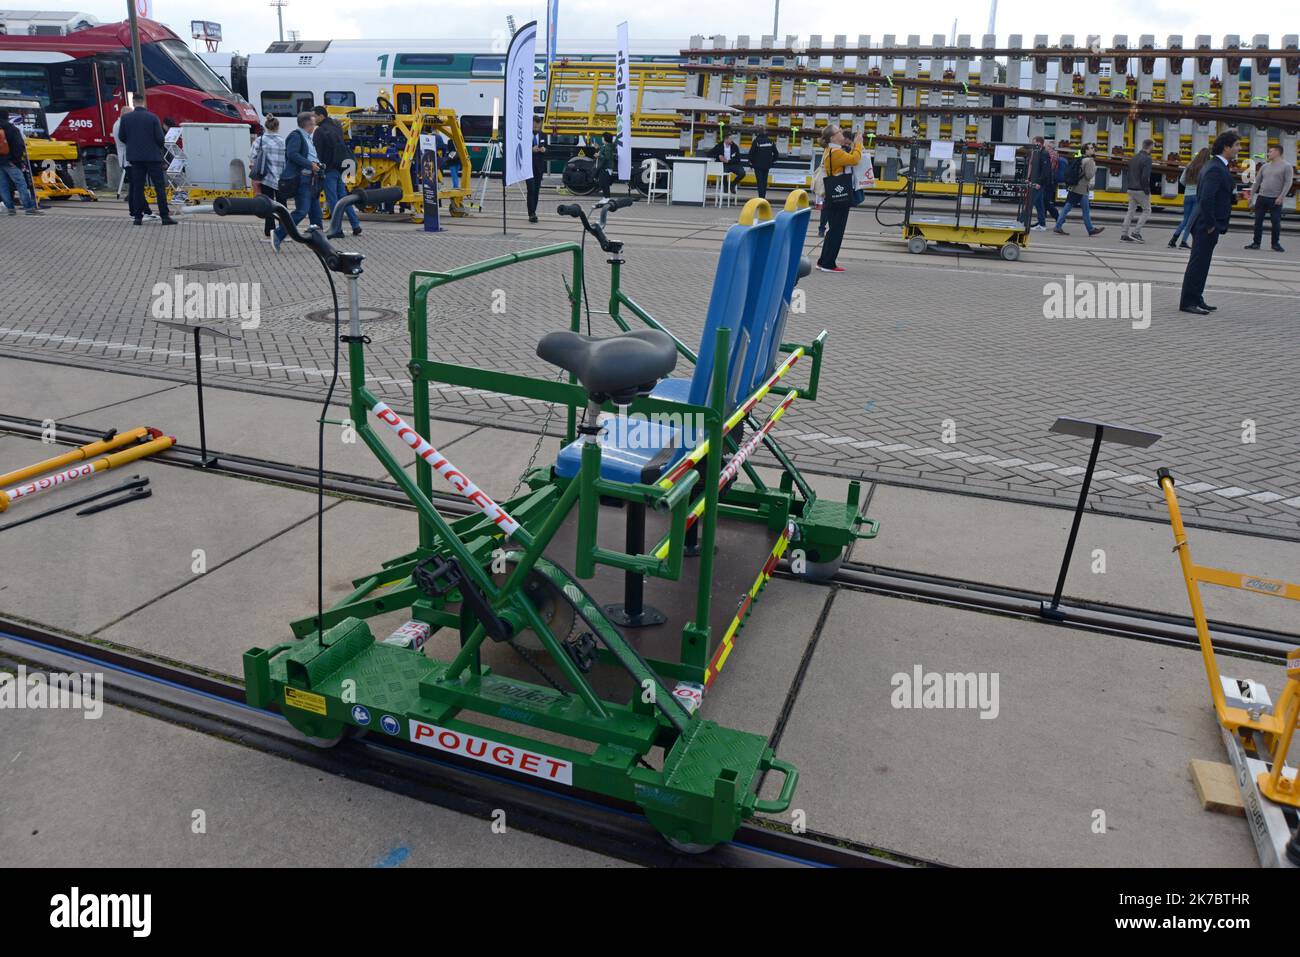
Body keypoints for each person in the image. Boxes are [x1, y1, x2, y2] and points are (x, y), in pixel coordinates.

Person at [1179, 129, 1241, 316]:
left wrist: (1234, 198)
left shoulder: (1216, 165)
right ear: (1226, 147)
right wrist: (1211, 224)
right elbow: (1206, 198)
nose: (1239, 148)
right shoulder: (1215, 168)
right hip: (1206, 224)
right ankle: (1188, 302)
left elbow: (1218, 194)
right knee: (1198, 263)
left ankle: (1197, 298)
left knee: (1203, 263)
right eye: (1237, 145)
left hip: (1205, 223)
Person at [118, 99, 174, 225]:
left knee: (138, 187)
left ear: (133, 103)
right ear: (143, 103)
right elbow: (160, 138)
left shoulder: (126, 119)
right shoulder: (153, 117)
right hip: (153, 157)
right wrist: (156, 148)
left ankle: (138, 217)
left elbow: (122, 137)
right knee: (159, 187)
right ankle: (165, 216)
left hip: (135, 158)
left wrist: (133, 145)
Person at [815, 125, 862, 273]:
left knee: (833, 230)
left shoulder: (831, 150)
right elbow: (855, 159)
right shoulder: (835, 152)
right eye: (839, 132)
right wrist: (858, 143)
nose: (842, 133)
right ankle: (828, 264)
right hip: (838, 195)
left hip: (833, 194)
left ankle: (823, 261)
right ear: (832, 137)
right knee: (836, 231)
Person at [273, 111, 323, 251]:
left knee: (316, 212)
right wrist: (310, 164)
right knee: (302, 211)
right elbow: (292, 154)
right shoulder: (296, 136)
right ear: (308, 124)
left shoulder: (307, 137)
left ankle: (319, 241)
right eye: (313, 124)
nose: (314, 127)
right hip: (302, 179)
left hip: (311, 179)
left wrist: (317, 165)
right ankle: (278, 233)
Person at [313, 105, 359, 238]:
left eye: (314, 116)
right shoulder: (336, 126)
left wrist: (317, 168)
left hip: (329, 169)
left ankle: (337, 229)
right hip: (341, 167)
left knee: (332, 199)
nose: (313, 119)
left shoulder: (319, 131)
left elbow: (318, 152)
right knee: (344, 198)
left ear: (321, 116)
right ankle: (356, 225)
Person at [1244, 144, 1293, 253]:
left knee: (1275, 222)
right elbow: (1256, 182)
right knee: (1258, 222)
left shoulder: (1286, 166)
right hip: (1262, 197)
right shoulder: (1265, 166)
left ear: (1277, 152)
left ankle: (1275, 244)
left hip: (1275, 199)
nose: (1268, 153)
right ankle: (1256, 243)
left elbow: (1288, 182)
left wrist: (1281, 196)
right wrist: (1250, 196)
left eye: (1270, 151)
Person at [1052, 143, 1104, 236]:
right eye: (1091, 148)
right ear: (1086, 150)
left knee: (1076, 208)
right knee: (1072, 208)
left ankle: (1090, 229)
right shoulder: (1089, 161)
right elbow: (1089, 176)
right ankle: (1058, 226)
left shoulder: (1080, 158)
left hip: (1076, 186)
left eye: (1093, 148)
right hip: (1081, 189)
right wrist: (1095, 169)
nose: (1093, 149)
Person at [249, 115, 286, 239]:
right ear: (277, 127)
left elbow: (252, 158)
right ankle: (283, 231)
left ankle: (269, 231)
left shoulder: (259, 141)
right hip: (281, 178)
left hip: (265, 178)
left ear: (266, 126)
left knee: (268, 205)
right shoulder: (283, 141)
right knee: (282, 205)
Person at [1169, 147, 1210, 249]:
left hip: (1187, 195)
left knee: (1185, 219)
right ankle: (1183, 242)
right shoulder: (1205, 167)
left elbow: (1182, 180)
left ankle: (1173, 240)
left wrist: (1189, 186)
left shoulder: (1190, 165)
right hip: (1197, 196)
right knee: (1191, 222)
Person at [0, 115, 41, 215]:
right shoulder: (11, 129)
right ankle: (29, 208)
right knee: (21, 184)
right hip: (10, 162)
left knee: (3, 186)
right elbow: (19, 145)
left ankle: (10, 209)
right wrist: (16, 160)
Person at [1120, 139, 1154, 242]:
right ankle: (1136, 233)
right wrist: (1147, 190)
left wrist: (1129, 186)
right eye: (1153, 146)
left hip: (1131, 188)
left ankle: (1124, 234)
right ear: (1150, 146)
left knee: (1130, 211)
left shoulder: (1134, 157)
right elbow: (1145, 177)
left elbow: (1128, 174)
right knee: (1147, 210)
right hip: (1140, 189)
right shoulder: (1147, 159)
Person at [1027, 136, 1053, 229]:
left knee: (1031, 202)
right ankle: (1042, 224)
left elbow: (1045, 170)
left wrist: (1039, 183)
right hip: (1036, 181)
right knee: (1039, 204)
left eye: (1034, 143)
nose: (1032, 145)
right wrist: (1029, 178)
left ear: (1039, 143)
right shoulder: (1037, 152)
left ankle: (1023, 221)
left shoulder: (1044, 153)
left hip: (1039, 182)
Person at [526, 114, 548, 223]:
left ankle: (533, 212)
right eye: (534, 127)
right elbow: (520, 149)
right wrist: (531, 149)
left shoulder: (543, 135)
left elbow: (547, 148)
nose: (536, 129)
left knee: (536, 191)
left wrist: (544, 150)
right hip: (528, 167)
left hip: (539, 168)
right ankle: (531, 214)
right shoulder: (525, 135)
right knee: (531, 190)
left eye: (538, 127)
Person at [748, 129, 778, 199]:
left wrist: (751, 163)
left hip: (757, 165)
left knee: (760, 182)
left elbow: (751, 153)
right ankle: (763, 197)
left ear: (758, 134)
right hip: (767, 165)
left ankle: (761, 197)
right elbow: (776, 153)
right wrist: (772, 161)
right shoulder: (770, 141)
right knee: (764, 182)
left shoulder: (756, 141)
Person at [594, 133, 616, 198]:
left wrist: (599, 155)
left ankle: (606, 197)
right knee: (603, 183)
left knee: (604, 184)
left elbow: (607, 157)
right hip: (605, 167)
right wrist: (598, 147)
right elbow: (605, 151)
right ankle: (605, 197)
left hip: (606, 167)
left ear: (605, 139)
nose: (602, 139)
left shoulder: (607, 147)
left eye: (602, 138)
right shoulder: (607, 146)